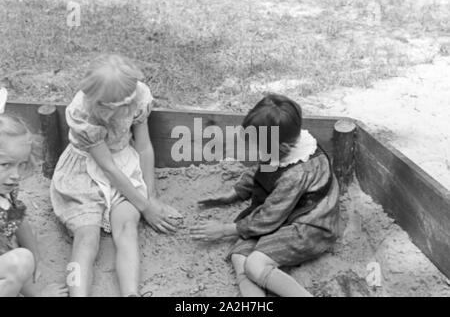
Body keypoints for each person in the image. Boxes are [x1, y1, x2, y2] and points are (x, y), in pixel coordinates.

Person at [50, 55, 180, 297]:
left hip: (124, 167)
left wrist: (150, 197)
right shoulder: (82, 112)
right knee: (86, 237)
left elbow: (143, 146)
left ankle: (131, 294)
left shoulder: (138, 95)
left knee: (127, 227)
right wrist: (145, 207)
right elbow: (106, 166)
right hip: (84, 173)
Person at [191, 94, 340, 297]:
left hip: (309, 226)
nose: (258, 151)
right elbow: (265, 168)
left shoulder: (296, 174)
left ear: (283, 147)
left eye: (260, 146)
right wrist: (237, 192)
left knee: (254, 264)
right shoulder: (285, 145)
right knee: (239, 257)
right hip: (284, 213)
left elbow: (270, 217)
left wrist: (224, 230)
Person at [0, 101, 68, 297]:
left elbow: (17, 220)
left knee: (24, 259)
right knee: (19, 261)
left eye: (21, 164)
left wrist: (35, 257)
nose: (16, 175)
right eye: (6, 164)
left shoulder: (7, 189)